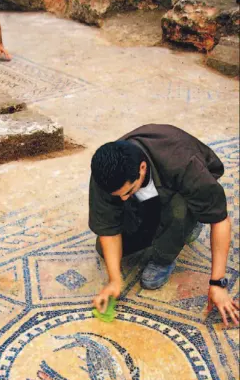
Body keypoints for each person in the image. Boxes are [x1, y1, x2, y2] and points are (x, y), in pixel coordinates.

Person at [89, 124, 239, 327]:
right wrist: (114, 280)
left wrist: (218, 283)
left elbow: (220, 220)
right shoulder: (106, 173)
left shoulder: (184, 164)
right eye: (119, 195)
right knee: (104, 249)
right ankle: (166, 224)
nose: (123, 198)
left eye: (128, 190)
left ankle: (170, 249)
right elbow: (109, 230)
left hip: (179, 191)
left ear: (142, 168)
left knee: (179, 210)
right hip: (147, 198)